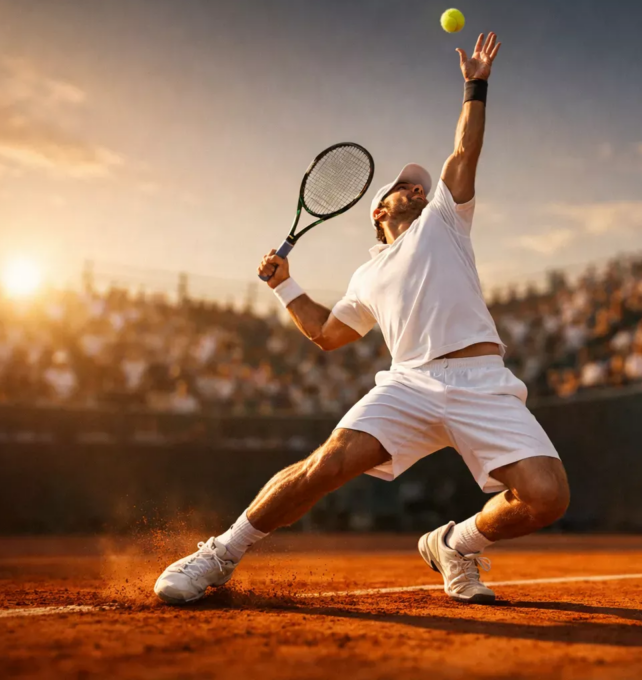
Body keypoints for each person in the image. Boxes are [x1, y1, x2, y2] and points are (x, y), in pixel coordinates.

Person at [154, 32, 569, 606]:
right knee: (324, 466)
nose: (418, 188)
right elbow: (327, 334)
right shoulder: (365, 275)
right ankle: (219, 553)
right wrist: (285, 286)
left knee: (547, 497)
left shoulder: (444, 221)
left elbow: (463, 152)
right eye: (405, 186)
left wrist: (475, 86)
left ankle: (455, 544)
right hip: (410, 384)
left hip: (483, 383)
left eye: (421, 186)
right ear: (379, 210)